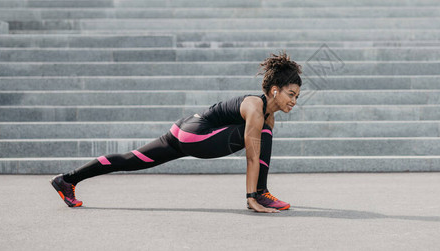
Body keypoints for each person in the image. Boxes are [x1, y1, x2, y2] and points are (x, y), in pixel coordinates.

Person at [50, 52, 301, 213]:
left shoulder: (262, 112)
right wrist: (250, 197)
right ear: (275, 90)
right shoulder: (256, 108)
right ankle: (259, 194)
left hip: (182, 130)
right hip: (197, 136)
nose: (294, 101)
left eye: (297, 97)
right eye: (291, 94)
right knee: (263, 134)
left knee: (131, 159)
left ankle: (67, 179)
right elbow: (251, 155)